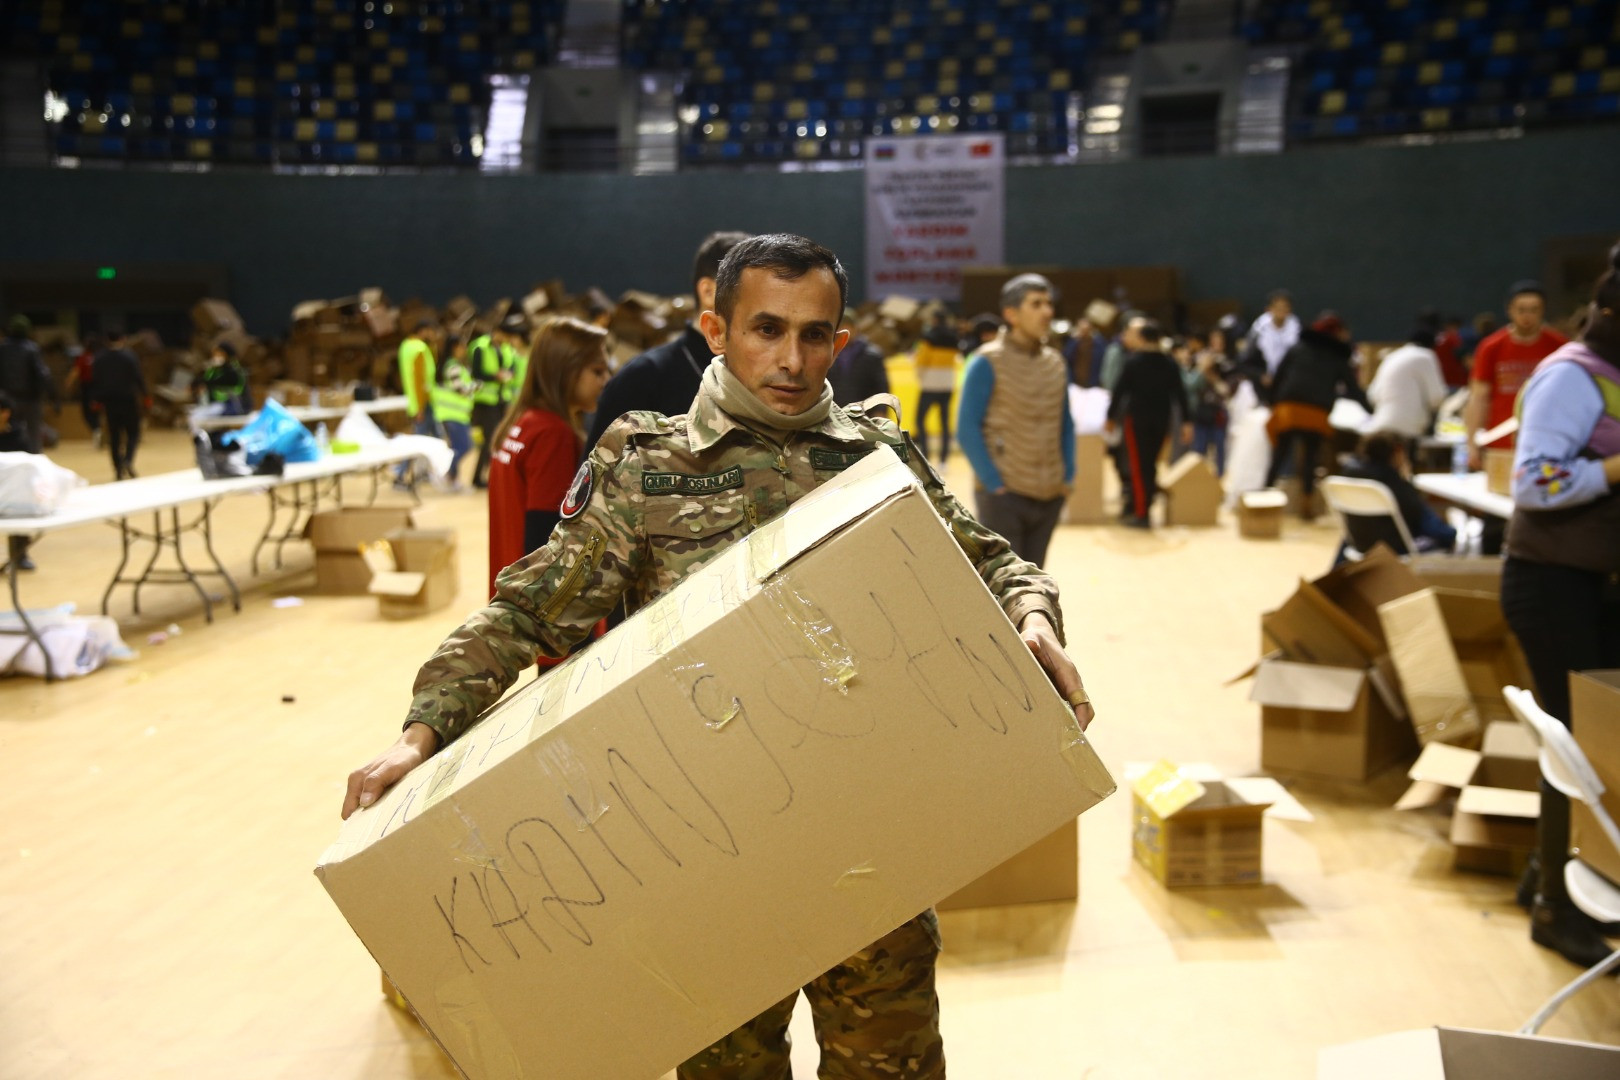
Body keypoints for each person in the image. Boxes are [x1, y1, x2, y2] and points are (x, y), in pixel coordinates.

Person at [340, 234, 1095, 1080]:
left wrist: (1031, 617)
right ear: (715, 328)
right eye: (766, 329)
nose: (791, 357)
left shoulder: (878, 456)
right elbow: (527, 613)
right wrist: (421, 732)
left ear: (840, 343)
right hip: (711, 874)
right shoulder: (646, 466)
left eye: (815, 335)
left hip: (875, 851)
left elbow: (996, 562)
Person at [1499, 243, 1620, 971]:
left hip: (1590, 586)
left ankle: (1544, 877)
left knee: (1585, 743)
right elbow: (1534, 483)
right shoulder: (1572, 378)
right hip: (1551, 585)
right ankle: (1558, 907)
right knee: (1576, 744)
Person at [584, 230, 751, 455]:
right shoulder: (642, 379)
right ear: (708, 291)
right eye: (750, 291)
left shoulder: (765, 373)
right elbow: (592, 481)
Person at [486, 316, 611, 601]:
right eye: (597, 371)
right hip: (539, 614)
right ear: (566, 371)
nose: (606, 381)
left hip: (510, 598)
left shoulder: (520, 424)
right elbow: (546, 544)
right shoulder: (552, 435)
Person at [957, 273, 1076, 566]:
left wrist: (1068, 476)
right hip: (1005, 495)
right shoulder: (987, 361)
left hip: (1049, 493)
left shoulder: (1055, 362)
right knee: (1004, 590)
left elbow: (1065, 422)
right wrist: (993, 483)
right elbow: (967, 428)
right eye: (1036, 304)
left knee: (1036, 583)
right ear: (1011, 314)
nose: (1047, 311)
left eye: (1049, 303)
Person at [1264, 312, 1369, 516]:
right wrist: (1372, 412)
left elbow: (1279, 376)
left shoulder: (1298, 348)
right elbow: (1353, 389)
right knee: (1310, 459)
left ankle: (1262, 498)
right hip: (1316, 412)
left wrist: (1271, 402)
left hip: (1288, 408)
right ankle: (1306, 505)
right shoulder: (1338, 357)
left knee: (1279, 455)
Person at [1465, 280, 1567, 470]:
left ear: (1542, 311)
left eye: (1533, 310)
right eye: (1521, 310)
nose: (1527, 316)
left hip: (1546, 444)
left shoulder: (1559, 346)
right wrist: (1472, 443)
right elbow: (1478, 397)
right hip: (1500, 443)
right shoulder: (1491, 347)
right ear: (1510, 310)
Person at [1106, 318, 1190, 528]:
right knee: (1151, 465)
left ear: (1142, 338)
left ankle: (1142, 513)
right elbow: (1180, 394)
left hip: (1137, 422)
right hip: (1162, 421)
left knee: (1138, 466)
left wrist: (1110, 417)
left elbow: (1120, 391)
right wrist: (1187, 422)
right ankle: (1144, 507)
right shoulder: (1169, 363)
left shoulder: (1134, 361)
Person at [1337, 431, 1457, 556]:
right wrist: (1406, 480)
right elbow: (1435, 528)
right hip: (1395, 550)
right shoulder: (1394, 485)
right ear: (1398, 452)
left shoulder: (1349, 475)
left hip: (1359, 547)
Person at [1364, 319, 1449, 444]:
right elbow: (1436, 397)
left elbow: (1373, 395)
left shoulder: (1393, 356)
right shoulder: (1426, 355)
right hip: (1409, 430)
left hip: (1380, 425)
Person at [467, 322, 520, 489]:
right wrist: (494, 376)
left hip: (501, 400)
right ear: (496, 331)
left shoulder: (507, 349)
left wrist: (508, 375)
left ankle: (493, 475)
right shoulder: (480, 347)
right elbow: (476, 374)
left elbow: (512, 369)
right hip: (485, 401)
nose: (505, 339)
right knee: (490, 439)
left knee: (501, 439)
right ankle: (479, 476)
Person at [89, 329, 147, 480]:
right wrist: (145, 394)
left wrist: (96, 399)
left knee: (114, 436)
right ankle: (128, 460)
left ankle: (117, 467)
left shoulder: (100, 358)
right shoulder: (129, 356)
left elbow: (95, 381)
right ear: (123, 339)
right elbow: (138, 377)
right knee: (133, 433)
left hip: (109, 402)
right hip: (128, 400)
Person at [0, 315, 58, 453]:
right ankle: (34, 461)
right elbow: (43, 374)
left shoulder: (2, 348)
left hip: (7, 400)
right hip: (31, 400)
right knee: (34, 434)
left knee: (10, 433)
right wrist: (53, 396)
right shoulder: (31, 348)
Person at [430, 336, 480, 490]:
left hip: (457, 415)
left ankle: (453, 479)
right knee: (464, 447)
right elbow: (461, 389)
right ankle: (444, 472)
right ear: (455, 347)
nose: (464, 350)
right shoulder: (453, 367)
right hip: (452, 414)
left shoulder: (453, 365)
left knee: (458, 447)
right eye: (462, 346)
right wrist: (478, 385)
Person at [395, 320, 440, 486]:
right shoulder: (420, 349)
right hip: (423, 403)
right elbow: (419, 380)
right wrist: (421, 406)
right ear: (424, 331)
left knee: (432, 439)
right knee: (418, 441)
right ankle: (400, 475)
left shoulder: (406, 346)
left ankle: (424, 472)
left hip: (416, 401)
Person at [912, 310, 960, 462]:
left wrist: (920, 376)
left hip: (930, 384)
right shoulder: (954, 338)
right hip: (947, 383)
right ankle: (944, 458)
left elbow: (922, 359)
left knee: (920, 419)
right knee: (944, 422)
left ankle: (925, 454)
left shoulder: (929, 337)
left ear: (934, 320)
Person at [1187, 328, 1235, 476]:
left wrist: (1211, 374)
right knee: (1199, 449)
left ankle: (1219, 479)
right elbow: (1191, 384)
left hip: (1218, 411)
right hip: (1200, 410)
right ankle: (1198, 479)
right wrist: (1203, 368)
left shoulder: (1228, 363)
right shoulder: (1197, 359)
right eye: (1213, 341)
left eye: (1220, 341)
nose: (1216, 344)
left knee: (1220, 447)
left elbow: (1226, 390)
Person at [0, 390, 37, 570]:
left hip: (13, 486)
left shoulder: (18, 434)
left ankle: (19, 554)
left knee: (22, 503)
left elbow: (31, 461)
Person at [826, 316, 891, 405]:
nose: (845, 330)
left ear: (855, 328)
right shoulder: (826, 352)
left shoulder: (871, 355)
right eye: (841, 326)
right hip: (832, 407)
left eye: (848, 326)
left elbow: (880, 385)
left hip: (864, 409)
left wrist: (881, 409)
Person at [1248, 289, 1301, 378]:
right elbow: (1249, 357)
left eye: (1285, 306)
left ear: (1290, 309)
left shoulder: (1297, 327)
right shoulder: (1260, 326)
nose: (1281, 310)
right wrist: (1261, 374)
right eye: (1277, 307)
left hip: (1289, 376)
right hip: (1264, 376)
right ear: (1269, 309)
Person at [65, 335, 102, 448]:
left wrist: (68, 383)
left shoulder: (84, 357)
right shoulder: (101, 356)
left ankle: (97, 431)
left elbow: (75, 371)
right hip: (98, 387)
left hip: (89, 388)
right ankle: (98, 431)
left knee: (87, 412)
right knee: (96, 412)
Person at [198, 341, 251, 415]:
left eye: (219, 354)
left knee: (201, 415)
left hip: (236, 406)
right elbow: (205, 381)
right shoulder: (216, 370)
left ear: (226, 354)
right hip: (221, 405)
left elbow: (216, 382)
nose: (215, 357)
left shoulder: (234, 370)